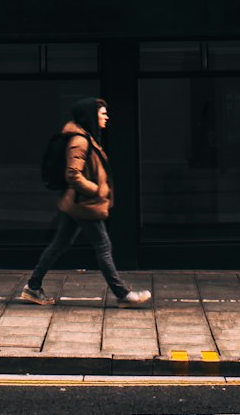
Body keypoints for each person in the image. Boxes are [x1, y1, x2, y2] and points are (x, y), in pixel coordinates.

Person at [22, 97, 152, 308]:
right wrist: (95, 190)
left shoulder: (87, 138)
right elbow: (72, 174)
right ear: (91, 116)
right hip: (84, 203)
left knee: (59, 245)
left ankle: (33, 286)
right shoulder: (80, 140)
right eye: (102, 113)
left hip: (77, 203)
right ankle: (122, 294)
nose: (106, 117)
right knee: (103, 246)